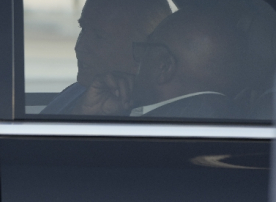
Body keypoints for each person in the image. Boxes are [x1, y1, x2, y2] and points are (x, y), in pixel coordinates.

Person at [73, 7, 243, 119]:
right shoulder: (227, 117)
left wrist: (84, 116)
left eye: (145, 48)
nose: (138, 60)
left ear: (164, 67)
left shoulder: (159, 129)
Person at [40, 0, 171, 114]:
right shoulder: (77, 92)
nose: (79, 47)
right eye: (83, 29)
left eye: (99, 36)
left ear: (142, 51)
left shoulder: (155, 119)